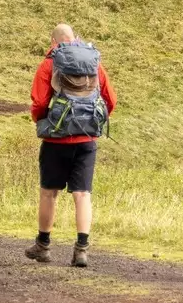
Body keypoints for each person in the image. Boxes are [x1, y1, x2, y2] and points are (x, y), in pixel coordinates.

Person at [26, 24, 116, 268]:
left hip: (56, 139)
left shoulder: (49, 64)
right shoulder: (93, 62)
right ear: (76, 38)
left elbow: (39, 102)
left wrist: (44, 122)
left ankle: (43, 246)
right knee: (83, 195)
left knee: (49, 193)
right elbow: (111, 100)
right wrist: (90, 121)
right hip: (87, 140)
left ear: (53, 42)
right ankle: (82, 250)